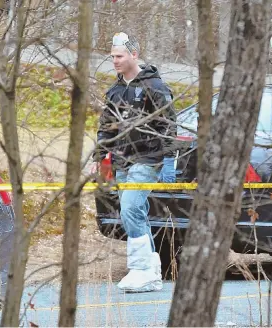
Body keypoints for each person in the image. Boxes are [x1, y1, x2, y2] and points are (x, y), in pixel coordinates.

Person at [93, 32, 177, 293]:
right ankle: (150, 270)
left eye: (119, 56)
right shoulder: (115, 91)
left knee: (130, 207)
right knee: (134, 212)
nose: (115, 61)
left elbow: (168, 126)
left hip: (148, 158)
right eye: (112, 57)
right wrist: (97, 157)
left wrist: (169, 161)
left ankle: (141, 269)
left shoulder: (155, 87)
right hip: (123, 160)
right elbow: (107, 127)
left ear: (133, 55)